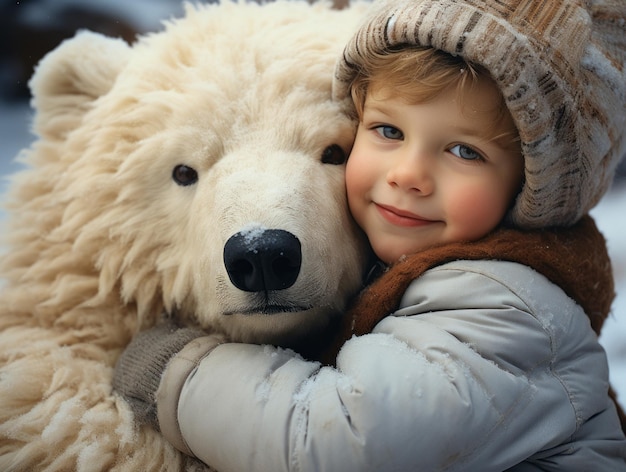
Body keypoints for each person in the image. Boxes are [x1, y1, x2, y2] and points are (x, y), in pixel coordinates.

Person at [113, 0, 626, 470]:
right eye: (387, 131)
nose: (407, 174)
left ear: (529, 191)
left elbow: (338, 443)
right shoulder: (424, 271)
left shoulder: (505, 309)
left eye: (465, 151)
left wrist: (174, 373)